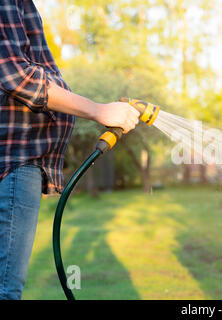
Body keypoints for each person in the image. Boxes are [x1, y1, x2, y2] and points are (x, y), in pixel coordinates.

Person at [0, 0, 140, 299]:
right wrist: (98, 110)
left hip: (17, 160)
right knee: (5, 290)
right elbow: (15, 74)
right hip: (14, 159)